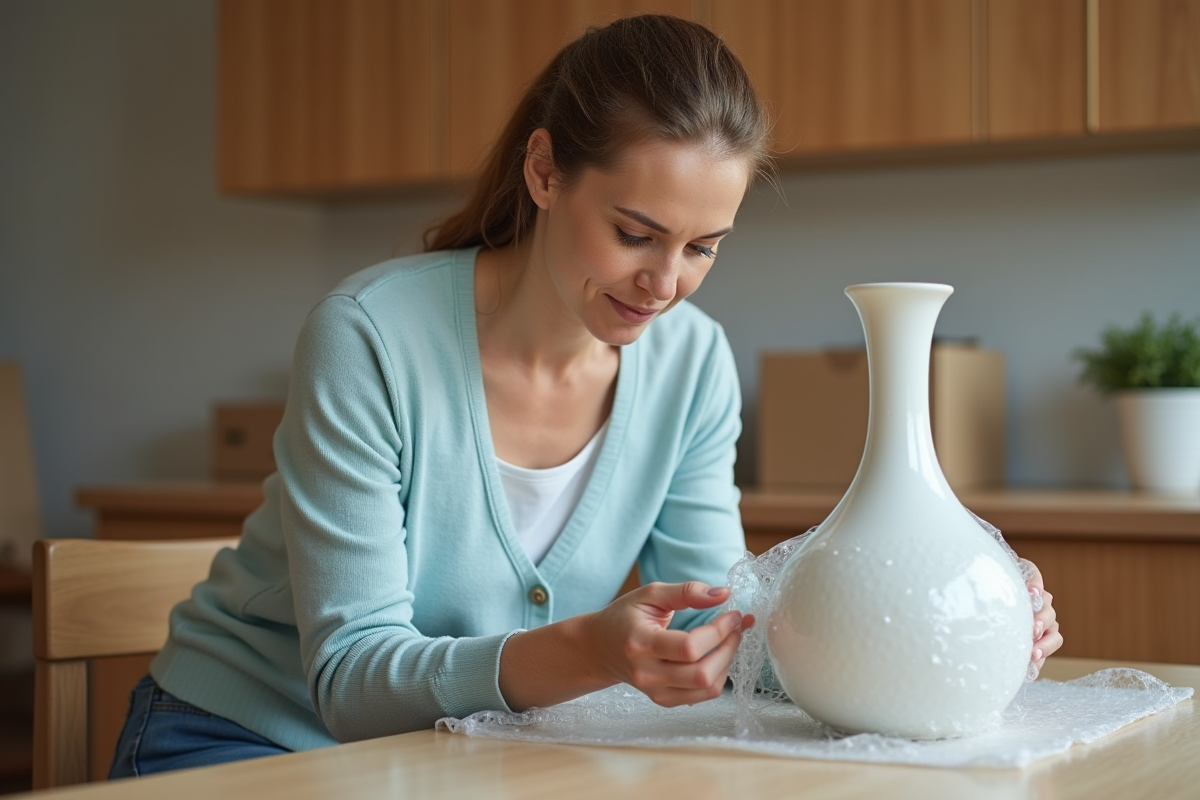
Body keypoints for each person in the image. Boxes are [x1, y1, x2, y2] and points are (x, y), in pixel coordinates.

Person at [110, 14, 1061, 778]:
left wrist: (946, 620)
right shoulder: (369, 334)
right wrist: (590, 654)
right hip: (241, 744)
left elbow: (718, 631)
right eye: (636, 233)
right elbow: (351, 681)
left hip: (448, 758)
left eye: (702, 248)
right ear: (543, 172)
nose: (665, 283)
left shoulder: (691, 365)